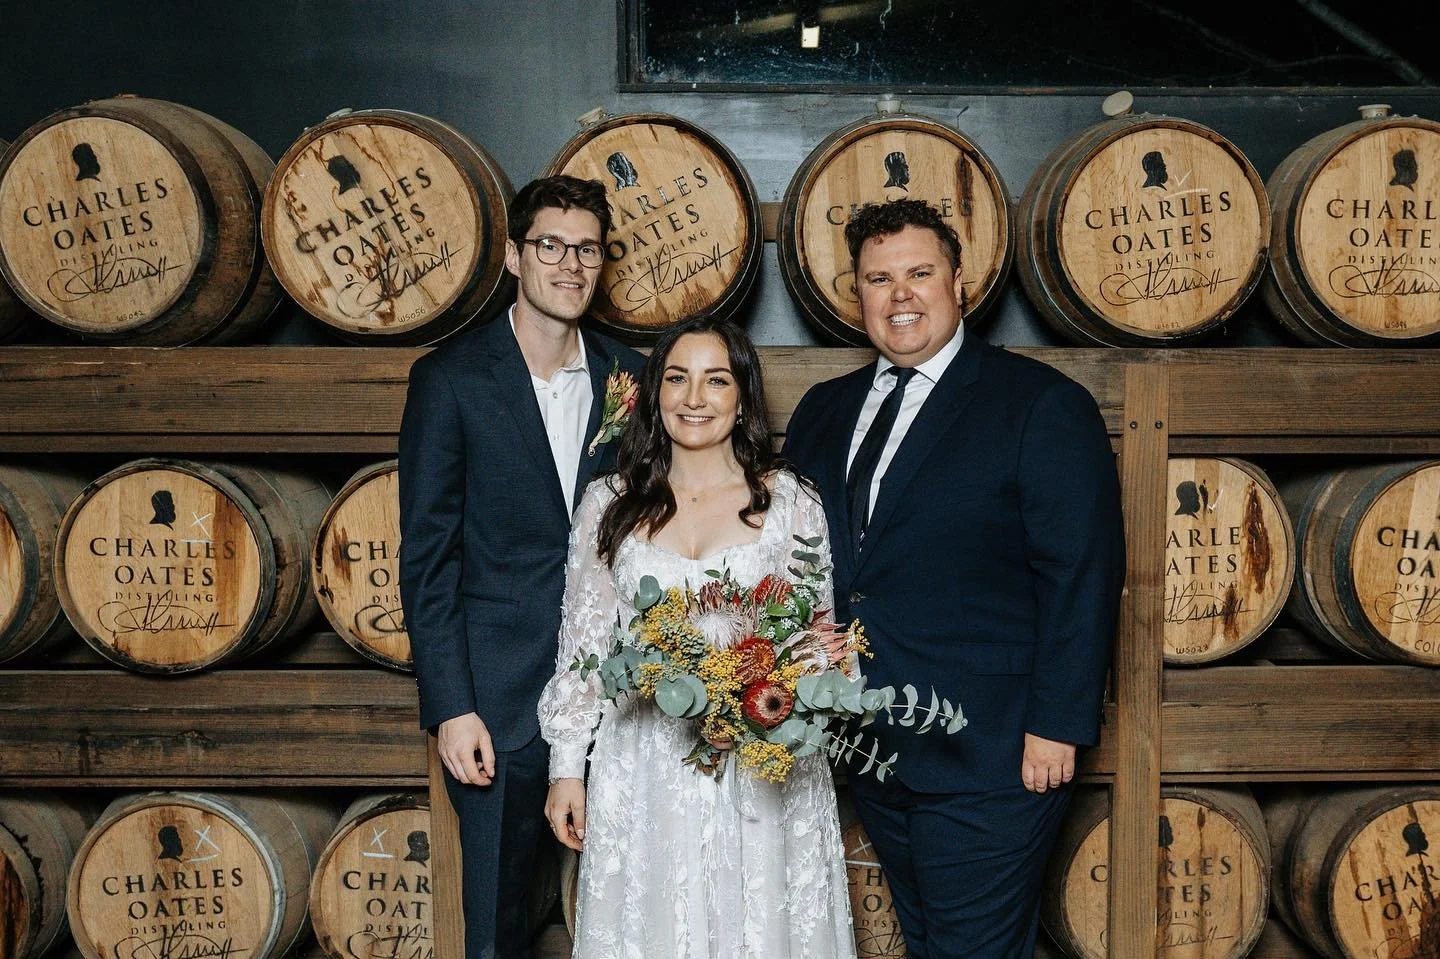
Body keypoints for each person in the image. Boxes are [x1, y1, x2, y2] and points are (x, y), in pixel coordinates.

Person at [782, 198, 1125, 958]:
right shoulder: (824, 410)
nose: (899, 294)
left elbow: (1081, 572)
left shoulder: (1039, 404)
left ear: (959, 283)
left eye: (919, 273)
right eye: (879, 278)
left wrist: (1060, 723)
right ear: (856, 294)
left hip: (993, 752)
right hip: (873, 746)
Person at [538, 315, 857, 959]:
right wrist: (567, 768)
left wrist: (791, 697)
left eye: (716, 380)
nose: (694, 397)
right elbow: (584, 647)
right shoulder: (610, 504)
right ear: (655, 393)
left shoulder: (790, 501)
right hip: (646, 759)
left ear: (742, 397)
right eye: (678, 378)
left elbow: (817, 638)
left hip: (762, 761)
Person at [398, 174, 645, 959]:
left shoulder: (632, 376)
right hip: (497, 709)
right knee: (497, 932)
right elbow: (428, 559)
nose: (570, 265)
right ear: (513, 255)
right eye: (551, 246)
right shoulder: (450, 380)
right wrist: (452, 705)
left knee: (634, 920)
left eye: (587, 250)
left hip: (624, 700)